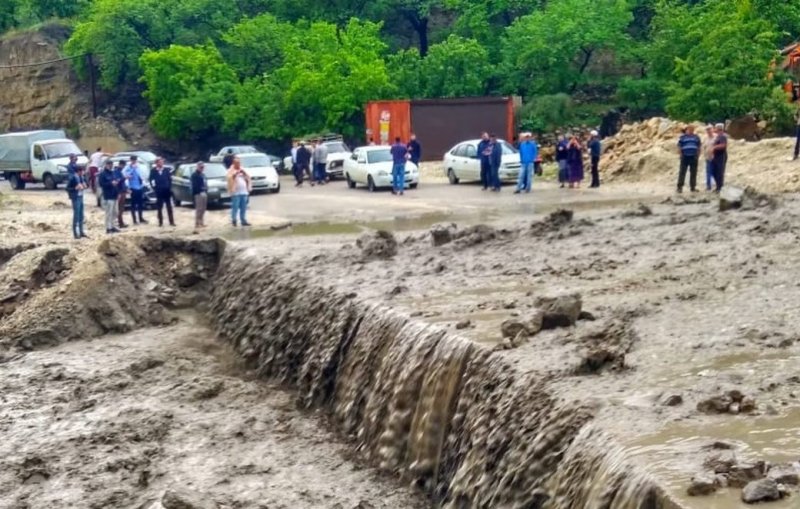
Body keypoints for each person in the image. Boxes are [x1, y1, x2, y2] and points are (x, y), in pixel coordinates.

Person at [149, 158, 175, 227]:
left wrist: (169, 187)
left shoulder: (166, 170)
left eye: (162, 162)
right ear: (157, 163)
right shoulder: (153, 171)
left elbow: (169, 179)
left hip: (166, 190)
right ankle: (160, 222)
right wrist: (154, 188)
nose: (161, 163)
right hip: (159, 191)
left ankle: (171, 221)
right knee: (159, 207)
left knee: (169, 206)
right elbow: (151, 180)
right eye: (160, 162)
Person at [676, 125, 701, 193]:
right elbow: (679, 146)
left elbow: (699, 146)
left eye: (692, 129)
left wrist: (698, 155)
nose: (690, 130)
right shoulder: (682, 137)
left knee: (693, 173)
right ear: (686, 130)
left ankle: (693, 187)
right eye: (689, 129)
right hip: (685, 156)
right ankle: (679, 187)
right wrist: (681, 154)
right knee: (682, 172)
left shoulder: (696, 137)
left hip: (693, 157)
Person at [227, 157, 252, 226]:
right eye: (236, 163)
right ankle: (234, 220)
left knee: (243, 207)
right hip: (235, 192)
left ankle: (243, 220)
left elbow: (249, 178)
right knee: (235, 207)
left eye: (239, 163)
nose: (238, 164)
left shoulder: (243, 169)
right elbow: (229, 178)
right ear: (233, 163)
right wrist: (234, 175)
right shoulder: (230, 170)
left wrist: (244, 173)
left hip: (244, 191)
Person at [98, 160, 120, 234]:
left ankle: (113, 226)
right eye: (109, 164)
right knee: (109, 212)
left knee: (115, 212)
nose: (110, 166)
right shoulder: (103, 174)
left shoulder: (113, 173)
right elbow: (101, 184)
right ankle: (108, 228)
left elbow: (116, 183)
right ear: (106, 165)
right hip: (108, 195)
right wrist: (110, 183)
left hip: (114, 195)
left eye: (111, 164)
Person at [66, 166, 88, 239]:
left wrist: (85, 186)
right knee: (76, 215)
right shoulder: (73, 178)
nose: (83, 173)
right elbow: (67, 188)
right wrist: (75, 188)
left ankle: (81, 232)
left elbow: (85, 184)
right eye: (82, 171)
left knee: (81, 215)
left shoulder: (81, 178)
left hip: (81, 197)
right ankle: (76, 233)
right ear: (78, 171)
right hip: (75, 197)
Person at [124, 155, 147, 224]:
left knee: (140, 203)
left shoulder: (138, 167)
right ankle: (134, 220)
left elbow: (141, 175)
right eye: (133, 160)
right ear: (130, 160)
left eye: (135, 160)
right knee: (133, 204)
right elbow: (126, 175)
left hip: (139, 187)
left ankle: (141, 218)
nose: (134, 161)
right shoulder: (128, 167)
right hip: (133, 187)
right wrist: (132, 169)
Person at [711, 123, 728, 192]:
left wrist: (714, 147)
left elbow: (723, 145)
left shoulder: (723, 136)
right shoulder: (717, 136)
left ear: (718, 128)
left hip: (721, 155)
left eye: (715, 128)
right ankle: (718, 186)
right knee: (714, 171)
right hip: (716, 155)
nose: (715, 129)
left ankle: (720, 187)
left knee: (720, 171)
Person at [191, 162, 208, 232]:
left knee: (204, 208)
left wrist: (206, 189)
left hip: (204, 192)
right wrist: (199, 190)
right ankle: (197, 223)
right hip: (198, 193)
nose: (202, 169)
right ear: (197, 167)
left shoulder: (203, 175)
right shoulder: (194, 175)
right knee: (199, 208)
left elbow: (205, 183)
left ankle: (201, 222)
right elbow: (194, 185)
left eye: (203, 167)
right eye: (201, 167)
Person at [114, 160, 129, 228]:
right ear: (120, 164)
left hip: (123, 191)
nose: (123, 167)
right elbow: (118, 181)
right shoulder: (117, 172)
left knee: (122, 208)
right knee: (120, 208)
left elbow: (122, 183)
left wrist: (126, 189)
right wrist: (124, 178)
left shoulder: (120, 172)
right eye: (123, 165)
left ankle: (121, 222)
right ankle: (120, 223)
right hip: (120, 192)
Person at [703, 125, 716, 191]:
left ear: (712, 129)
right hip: (708, 158)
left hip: (715, 158)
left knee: (715, 172)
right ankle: (708, 186)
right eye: (707, 130)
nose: (709, 131)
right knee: (708, 172)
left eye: (710, 129)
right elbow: (704, 147)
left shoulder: (716, 137)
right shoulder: (705, 138)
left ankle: (718, 185)